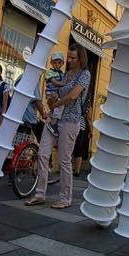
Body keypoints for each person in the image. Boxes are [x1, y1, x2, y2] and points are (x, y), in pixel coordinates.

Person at [26, 45, 90, 209]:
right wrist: (52, 100)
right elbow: (56, 97)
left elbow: (73, 96)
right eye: (68, 57)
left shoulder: (84, 74)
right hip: (54, 120)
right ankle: (40, 193)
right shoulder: (65, 74)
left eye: (72, 58)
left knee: (64, 160)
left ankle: (65, 198)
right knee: (42, 154)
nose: (68, 60)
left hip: (70, 120)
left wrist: (56, 104)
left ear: (81, 58)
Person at [43, 52, 65, 137]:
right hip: (51, 92)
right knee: (58, 105)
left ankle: (53, 119)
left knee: (58, 107)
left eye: (59, 62)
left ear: (62, 63)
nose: (57, 64)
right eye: (55, 62)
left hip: (57, 93)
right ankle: (53, 123)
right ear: (51, 63)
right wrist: (65, 84)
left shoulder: (62, 74)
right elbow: (54, 82)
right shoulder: (50, 72)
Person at [73, 99, 92, 177]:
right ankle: (77, 169)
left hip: (72, 124)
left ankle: (71, 167)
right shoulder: (88, 104)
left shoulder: (75, 99)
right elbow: (89, 119)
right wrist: (91, 130)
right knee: (79, 148)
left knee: (71, 146)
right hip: (82, 128)